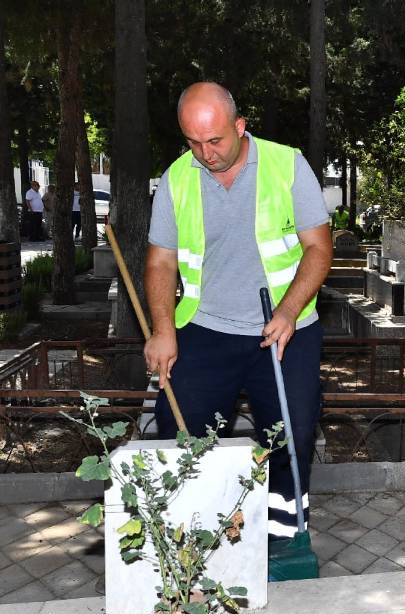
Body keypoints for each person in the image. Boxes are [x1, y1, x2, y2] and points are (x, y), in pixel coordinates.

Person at [144, 82, 332, 542]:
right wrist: (163, 330)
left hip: (286, 330)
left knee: (291, 441)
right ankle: (191, 543)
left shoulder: (287, 165)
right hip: (207, 329)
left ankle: (284, 541)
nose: (205, 154)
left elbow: (318, 248)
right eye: (194, 142)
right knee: (180, 435)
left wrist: (289, 310)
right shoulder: (177, 178)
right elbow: (161, 261)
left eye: (215, 141)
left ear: (240, 127)